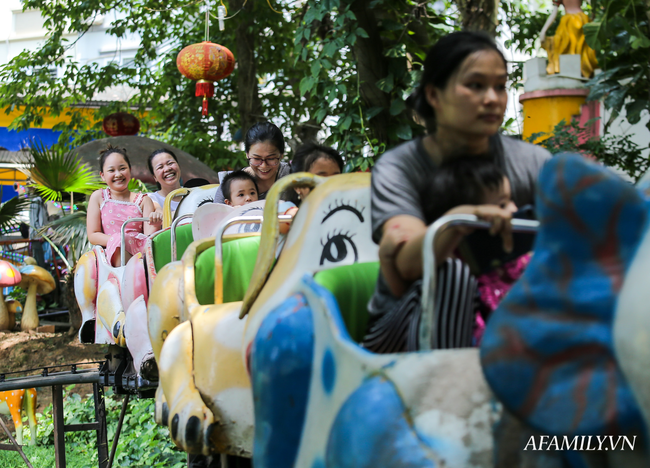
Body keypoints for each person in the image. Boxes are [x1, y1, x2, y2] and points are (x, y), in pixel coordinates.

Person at [365, 31, 550, 352]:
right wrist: (460, 220)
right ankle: (449, 389)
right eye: (475, 85)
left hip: (502, 320)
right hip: (404, 327)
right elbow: (409, 265)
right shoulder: (398, 168)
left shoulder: (533, 161)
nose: (492, 98)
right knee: (452, 272)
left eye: (500, 86)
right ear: (434, 95)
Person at [87, 145, 162, 266]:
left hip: (139, 256)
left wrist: (156, 222)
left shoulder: (143, 200)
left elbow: (149, 237)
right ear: (102, 175)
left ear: (130, 170)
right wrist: (118, 240)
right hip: (111, 258)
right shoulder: (98, 197)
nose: (118, 174)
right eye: (111, 170)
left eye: (122, 168)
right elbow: (93, 235)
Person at [213, 122, 291, 204]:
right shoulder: (231, 185)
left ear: (281, 154)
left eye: (271, 158)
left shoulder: (293, 177)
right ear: (247, 154)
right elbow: (214, 215)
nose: (263, 166)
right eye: (257, 158)